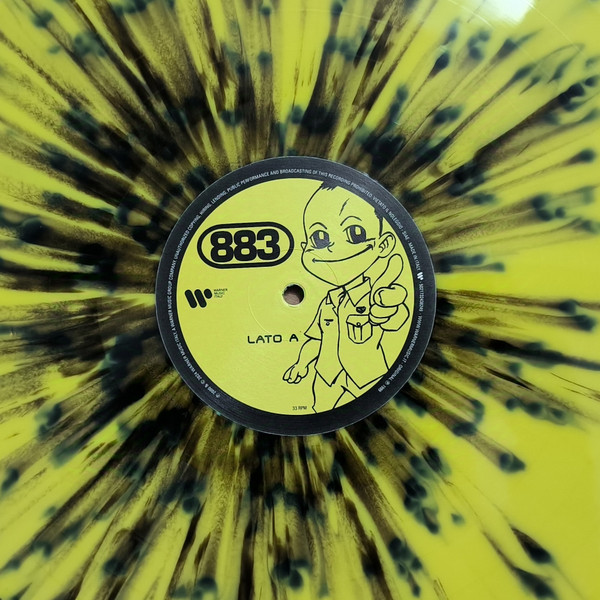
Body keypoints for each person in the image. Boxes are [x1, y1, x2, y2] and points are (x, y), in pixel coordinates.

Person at [283, 182, 410, 412]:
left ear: (383, 245)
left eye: (355, 233)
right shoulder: (328, 302)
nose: (332, 248)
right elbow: (316, 338)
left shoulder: (377, 294)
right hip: (326, 378)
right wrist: (302, 364)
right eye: (319, 237)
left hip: (368, 380)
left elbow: (396, 318)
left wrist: (390, 310)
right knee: (319, 419)